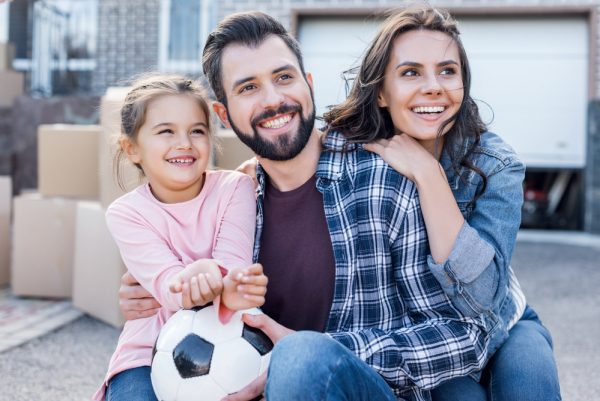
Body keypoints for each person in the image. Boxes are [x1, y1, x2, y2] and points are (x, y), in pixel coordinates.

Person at [119, 11, 490, 401]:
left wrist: (314, 351)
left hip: (369, 390)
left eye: (284, 78)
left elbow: (463, 333)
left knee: (301, 358)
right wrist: (151, 289)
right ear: (224, 115)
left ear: (308, 84)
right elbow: (183, 285)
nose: (274, 99)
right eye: (248, 88)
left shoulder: (381, 182)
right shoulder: (230, 203)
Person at [323, 6, 561, 401]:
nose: (434, 86)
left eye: (447, 71)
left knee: (532, 386)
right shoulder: (356, 154)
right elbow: (299, 156)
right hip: (432, 339)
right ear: (381, 91)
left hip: (502, 321)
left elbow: (483, 297)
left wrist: (429, 175)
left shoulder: (495, 165)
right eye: (411, 72)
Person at [92, 74, 268, 401]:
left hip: (228, 342)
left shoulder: (235, 188)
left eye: (197, 131)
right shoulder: (127, 213)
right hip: (145, 353)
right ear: (132, 149)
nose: (184, 143)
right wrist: (203, 275)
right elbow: (168, 284)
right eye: (166, 131)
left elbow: (233, 266)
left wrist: (218, 276)